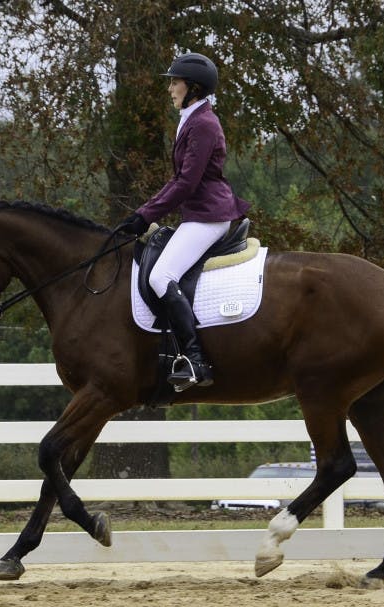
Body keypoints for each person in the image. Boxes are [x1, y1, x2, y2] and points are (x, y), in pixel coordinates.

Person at [120, 52, 251, 391]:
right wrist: (143, 212)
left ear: (193, 87)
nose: (171, 89)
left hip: (209, 215)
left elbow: (187, 182)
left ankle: (194, 359)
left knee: (162, 276)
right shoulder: (191, 118)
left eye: (175, 83)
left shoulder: (204, 123)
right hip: (199, 213)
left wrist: (145, 214)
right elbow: (180, 180)